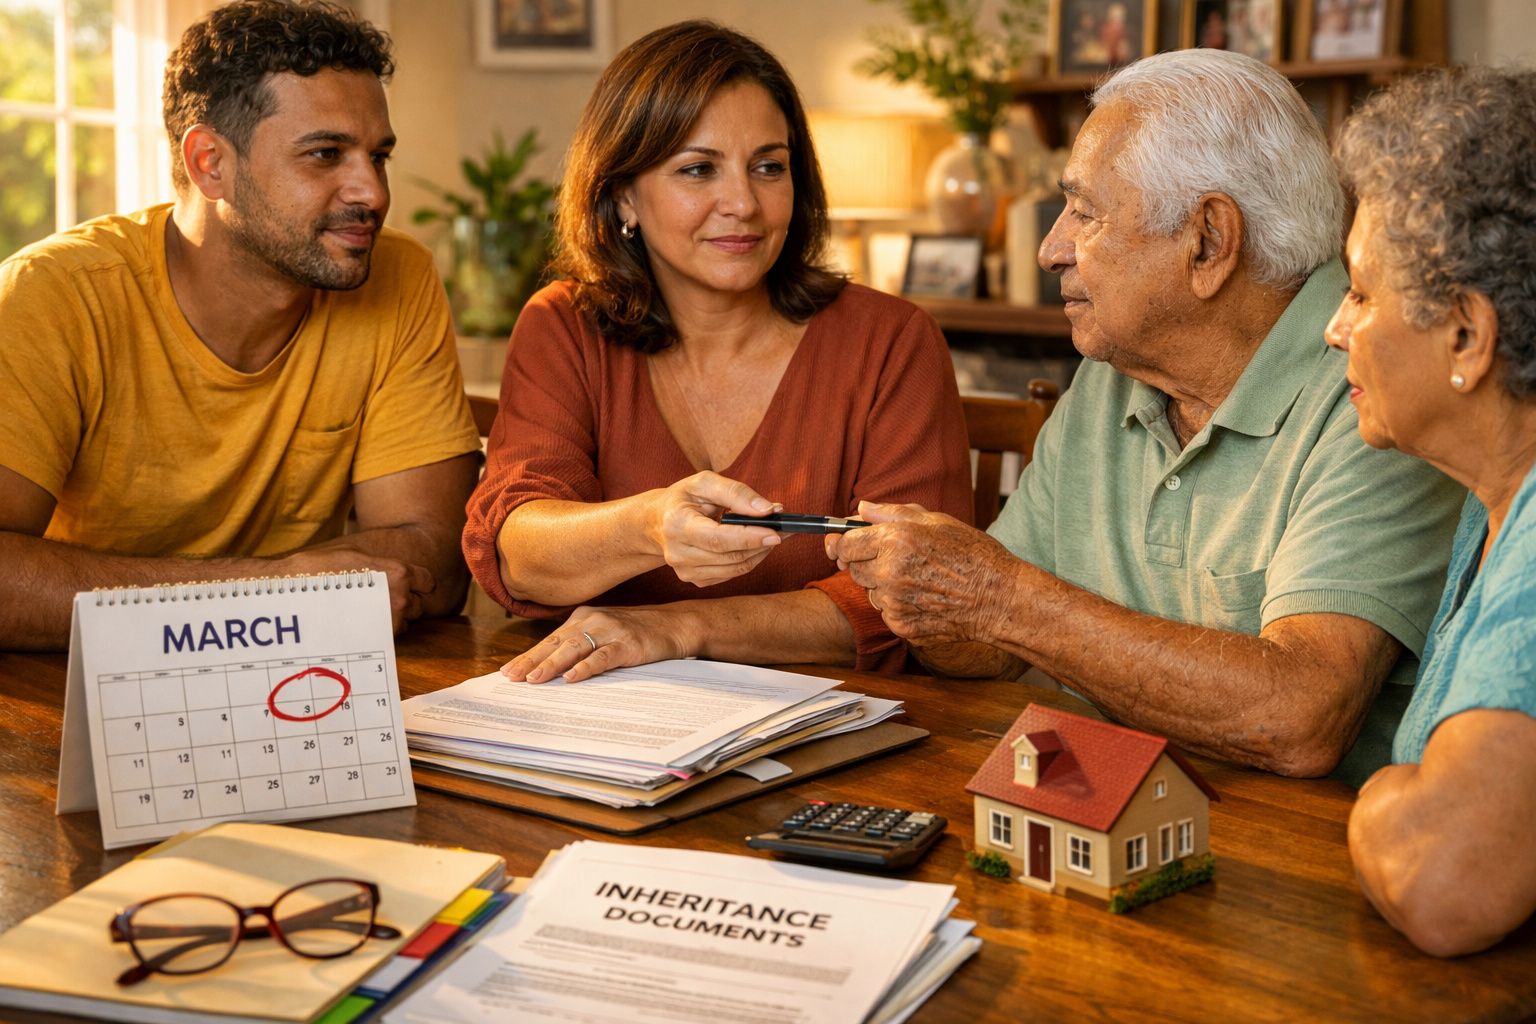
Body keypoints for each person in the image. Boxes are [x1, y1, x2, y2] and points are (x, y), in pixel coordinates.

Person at [828, 49, 1464, 783]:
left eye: (1086, 213)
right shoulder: (1112, 375)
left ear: (1208, 241)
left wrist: (997, 597)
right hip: (1111, 811)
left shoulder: (1375, 380)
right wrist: (928, 591)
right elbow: (990, 645)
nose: (1050, 248)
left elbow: (1300, 717)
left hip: (1302, 866)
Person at [462, 20, 971, 683]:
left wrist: (680, 628)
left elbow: (914, 595)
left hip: (828, 729)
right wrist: (650, 526)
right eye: (699, 169)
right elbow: (518, 550)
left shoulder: (892, 340)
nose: (744, 203)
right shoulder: (564, 325)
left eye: (769, 167)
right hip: (603, 722)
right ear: (623, 195)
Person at [0, 0, 481, 650]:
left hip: (302, 682)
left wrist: (272, 598)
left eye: (378, 156)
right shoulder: (53, 294)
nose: (372, 193)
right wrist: (269, 591)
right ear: (210, 163)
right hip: (67, 696)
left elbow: (436, 565)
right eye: (325, 154)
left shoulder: (398, 278)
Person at [1328, 67, 1536, 957]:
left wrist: (1382, 794)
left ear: (1466, 336)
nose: (1337, 328)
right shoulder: (1490, 504)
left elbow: (1441, 878)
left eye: (1362, 292)